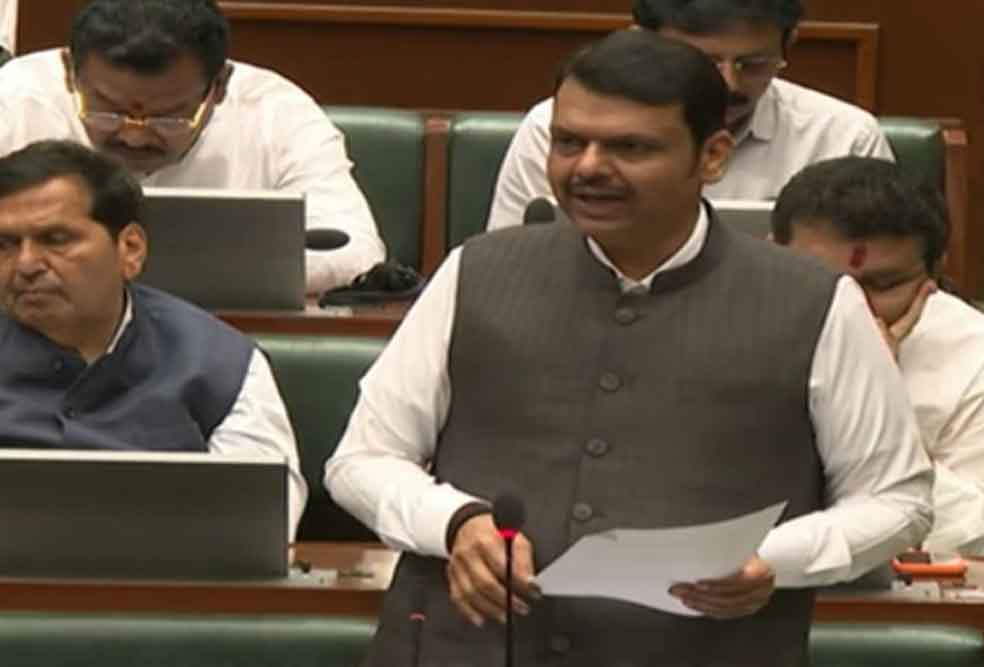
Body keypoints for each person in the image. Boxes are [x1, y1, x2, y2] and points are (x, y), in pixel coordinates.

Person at [326, 31, 931, 666]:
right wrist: (455, 522)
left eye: (630, 147)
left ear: (713, 156)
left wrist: (775, 559)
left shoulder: (816, 301)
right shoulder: (474, 271)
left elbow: (897, 499)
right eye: (569, 142)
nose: (588, 167)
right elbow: (362, 459)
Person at [0, 139, 306, 539]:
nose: (25, 264)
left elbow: (261, 521)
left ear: (130, 249)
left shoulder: (221, 361)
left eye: (56, 239)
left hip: (173, 573)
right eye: (5, 245)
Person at [0, 0, 385, 293]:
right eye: (108, 112)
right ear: (70, 73)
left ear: (219, 87)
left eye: (168, 118)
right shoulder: (15, 99)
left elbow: (355, 253)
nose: (134, 136)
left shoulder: (275, 112)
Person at [487, 0, 894, 231]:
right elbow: (510, 269)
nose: (728, 84)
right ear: (642, 41)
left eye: (753, 64)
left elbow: (872, 274)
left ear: (789, 45)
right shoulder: (562, 129)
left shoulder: (844, 136)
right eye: (703, 61)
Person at [772, 155, 984, 557]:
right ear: (771, 257)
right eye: (823, 280)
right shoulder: (717, 326)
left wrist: (877, 396)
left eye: (883, 285)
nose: (848, 306)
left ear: (934, 274)